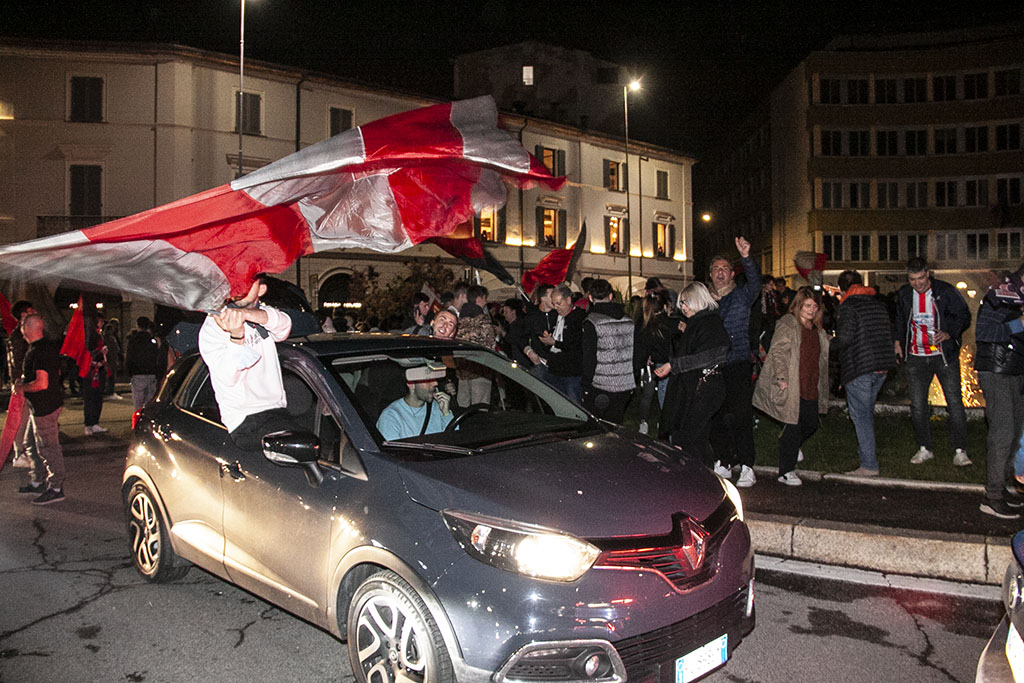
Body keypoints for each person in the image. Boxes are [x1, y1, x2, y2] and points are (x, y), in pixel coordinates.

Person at [198, 276, 294, 450]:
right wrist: (236, 336)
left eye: (248, 282)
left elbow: (284, 326)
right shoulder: (215, 325)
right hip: (246, 420)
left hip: (277, 411)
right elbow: (227, 377)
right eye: (236, 281)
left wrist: (246, 314)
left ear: (261, 289)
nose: (240, 287)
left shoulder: (262, 316)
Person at [894, 257, 972, 467]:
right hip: (916, 357)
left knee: (954, 403)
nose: (917, 283)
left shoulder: (945, 291)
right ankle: (924, 448)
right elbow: (900, 319)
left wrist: (949, 332)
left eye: (920, 278)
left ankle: (960, 450)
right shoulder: (905, 294)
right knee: (918, 405)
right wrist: (898, 341)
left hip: (943, 356)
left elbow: (964, 315)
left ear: (927, 274)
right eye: (912, 279)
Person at [753, 286, 830, 486]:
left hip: (811, 381)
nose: (811, 310)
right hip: (794, 382)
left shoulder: (817, 329)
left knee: (811, 423)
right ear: (798, 306)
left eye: (814, 306)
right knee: (793, 425)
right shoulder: (789, 323)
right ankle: (786, 471)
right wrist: (781, 377)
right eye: (807, 305)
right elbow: (778, 351)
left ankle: (791, 446)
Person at [655, 282, 730, 469]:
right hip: (698, 387)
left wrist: (674, 365)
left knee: (689, 438)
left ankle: (700, 477)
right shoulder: (698, 322)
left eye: (686, 302)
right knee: (696, 438)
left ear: (698, 300)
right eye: (681, 303)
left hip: (705, 388)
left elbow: (712, 356)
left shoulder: (709, 322)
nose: (683, 307)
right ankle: (703, 477)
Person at [707, 236, 761, 487]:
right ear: (710, 275)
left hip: (737, 363)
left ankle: (747, 465)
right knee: (716, 416)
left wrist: (746, 258)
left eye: (725, 268)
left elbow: (756, 283)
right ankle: (723, 460)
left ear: (731, 274)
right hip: (714, 366)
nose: (720, 272)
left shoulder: (741, 296)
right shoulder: (705, 302)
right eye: (716, 269)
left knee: (741, 416)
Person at [832, 270, 897, 476]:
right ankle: (866, 454)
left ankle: (869, 464)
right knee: (866, 413)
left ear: (842, 289)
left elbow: (844, 338)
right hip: (881, 366)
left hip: (859, 366)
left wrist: (827, 343)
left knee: (861, 416)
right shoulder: (878, 304)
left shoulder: (848, 306)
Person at [974, 271, 1024, 519]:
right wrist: (1019, 324)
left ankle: (1000, 489)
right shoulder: (1000, 294)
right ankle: (992, 497)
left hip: (1015, 370)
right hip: (996, 370)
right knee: (1003, 432)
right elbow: (983, 333)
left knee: (1015, 432)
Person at [15, 314, 66, 505]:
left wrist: (22, 388)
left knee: (48, 448)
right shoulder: (40, 348)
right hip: (40, 405)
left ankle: (56, 487)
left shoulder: (41, 351)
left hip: (45, 406)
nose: (21, 329)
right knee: (31, 442)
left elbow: (42, 383)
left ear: (29, 328)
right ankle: (38, 480)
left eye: (22, 325)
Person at [580, 278, 635, 422]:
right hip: (625, 383)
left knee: (597, 425)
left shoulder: (592, 322)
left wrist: (586, 383)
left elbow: (589, 357)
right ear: (611, 296)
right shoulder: (629, 321)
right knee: (616, 423)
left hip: (601, 385)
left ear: (590, 298)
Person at [633, 289, 677, 435]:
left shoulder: (643, 322)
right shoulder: (669, 323)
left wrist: (641, 362)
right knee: (663, 396)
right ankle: (663, 423)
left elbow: (639, 346)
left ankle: (644, 423)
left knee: (647, 395)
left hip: (650, 365)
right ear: (665, 306)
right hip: (664, 364)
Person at [535, 284, 585, 401]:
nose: (556, 307)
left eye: (559, 303)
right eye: (554, 304)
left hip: (571, 372)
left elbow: (576, 345)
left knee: (572, 403)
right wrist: (546, 341)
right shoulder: (555, 316)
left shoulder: (579, 317)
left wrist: (555, 343)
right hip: (554, 369)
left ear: (568, 300)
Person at [376, 364, 453, 440]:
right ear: (411, 384)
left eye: (435, 379)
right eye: (428, 380)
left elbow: (454, 440)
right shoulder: (391, 417)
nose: (435, 383)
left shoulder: (438, 407)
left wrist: (446, 413)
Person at [454, 285, 498, 406]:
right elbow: (490, 345)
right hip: (480, 371)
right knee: (480, 408)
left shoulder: (459, 320)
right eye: (485, 299)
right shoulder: (482, 320)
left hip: (462, 371)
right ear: (479, 299)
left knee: (463, 406)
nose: (486, 302)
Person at [6, 300, 37, 469]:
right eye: (31, 311)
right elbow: (18, 361)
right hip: (24, 381)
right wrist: (20, 381)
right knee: (22, 419)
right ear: (23, 314)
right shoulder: (19, 336)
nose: (34, 312)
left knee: (30, 417)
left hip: (27, 380)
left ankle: (27, 450)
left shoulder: (23, 333)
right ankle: (19, 453)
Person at [124, 316, 163, 410]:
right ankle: (148, 416)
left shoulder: (133, 340)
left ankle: (138, 417)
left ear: (137, 325)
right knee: (150, 401)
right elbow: (158, 356)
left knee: (138, 401)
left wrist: (129, 372)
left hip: (137, 373)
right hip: (151, 372)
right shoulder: (153, 340)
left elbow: (129, 357)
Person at [81, 313, 109, 434]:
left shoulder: (98, 335)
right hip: (91, 371)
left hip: (98, 370)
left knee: (97, 397)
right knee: (90, 398)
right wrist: (100, 353)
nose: (102, 323)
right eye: (100, 321)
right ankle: (88, 423)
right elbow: (87, 353)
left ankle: (94, 422)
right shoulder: (89, 336)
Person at [524, 283, 556, 380]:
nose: (555, 299)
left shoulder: (559, 315)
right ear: (543, 298)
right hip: (539, 363)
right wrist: (529, 351)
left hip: (557, 364)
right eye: (552, 296)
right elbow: (522, 337)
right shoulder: (532, 316)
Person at [499, 298, 531, 366]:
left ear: (513, 312)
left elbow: (514, 340)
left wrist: (503, 333)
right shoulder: (510, 325)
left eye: (506, 312)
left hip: (521, 361)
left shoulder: (518, 325)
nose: (504, 314)